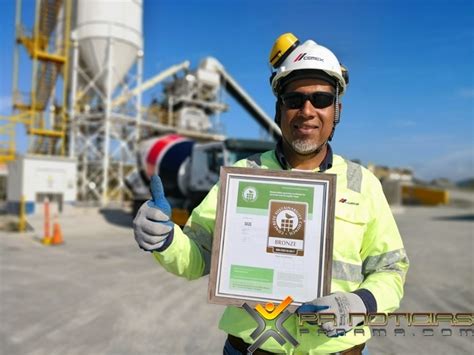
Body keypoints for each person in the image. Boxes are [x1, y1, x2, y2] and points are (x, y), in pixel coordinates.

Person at [133, 33, 409, 355]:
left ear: (336, 110)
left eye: (320, 100)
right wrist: (166, 240)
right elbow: (197, 257)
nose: (307, 110)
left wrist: (360, 302)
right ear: (279, 110)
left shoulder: (362, 184)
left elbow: (391, 269)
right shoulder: (243, 177)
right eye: (295, 100)